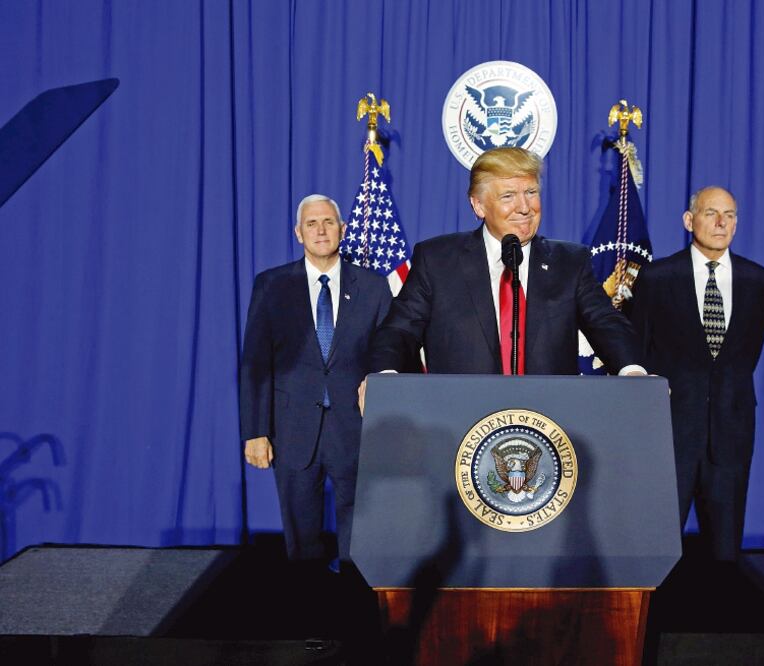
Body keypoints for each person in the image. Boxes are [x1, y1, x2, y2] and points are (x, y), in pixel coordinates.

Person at [362, 146, 642, 389]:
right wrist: (385, 378)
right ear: (479, 205)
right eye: (508, 196)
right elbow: (399, 330)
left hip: (547, 421)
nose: (524, 207)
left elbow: (606, 323)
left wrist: (632, 371)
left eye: (531, 192)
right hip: (460, 424)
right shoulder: (437, 260)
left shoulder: (569, 262)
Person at [240, 194, 392, 568]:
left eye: (328, 222)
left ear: (342, 230)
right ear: (298, 233)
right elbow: (256, 364)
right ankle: (309, 613)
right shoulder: (272, 285)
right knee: (302, 541)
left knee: (360, 538)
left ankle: (354, 615)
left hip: (355, 429)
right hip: (292, 430)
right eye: (312, 223)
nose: (320, 230)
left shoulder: (373, 286)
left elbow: (388, 349)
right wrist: (255, 431)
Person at [630, 186, 764, 561]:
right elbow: (639, 351)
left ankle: (720, 620)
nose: (721, 222)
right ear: (689, 220)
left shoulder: (760, 282)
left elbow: (746, 356)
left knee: (725, 554)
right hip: (671, 433)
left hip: (731, 431)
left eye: (730, 215)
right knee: (658, 548)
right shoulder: (657, 278)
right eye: (711, 213)